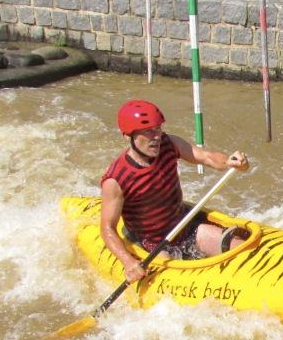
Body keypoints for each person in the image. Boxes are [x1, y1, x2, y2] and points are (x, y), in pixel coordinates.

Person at [100, 99, 250, 283]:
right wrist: (128, 262)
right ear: (128, 136)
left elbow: (206, 157)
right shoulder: (116, 179)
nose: (156, 137)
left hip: (183, 226)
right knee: (176, 278)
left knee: (238, 247)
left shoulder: (169, 143)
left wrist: (229, 162)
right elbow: (107, 228)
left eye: (158, 128)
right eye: (148, 131)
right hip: (152, 243)